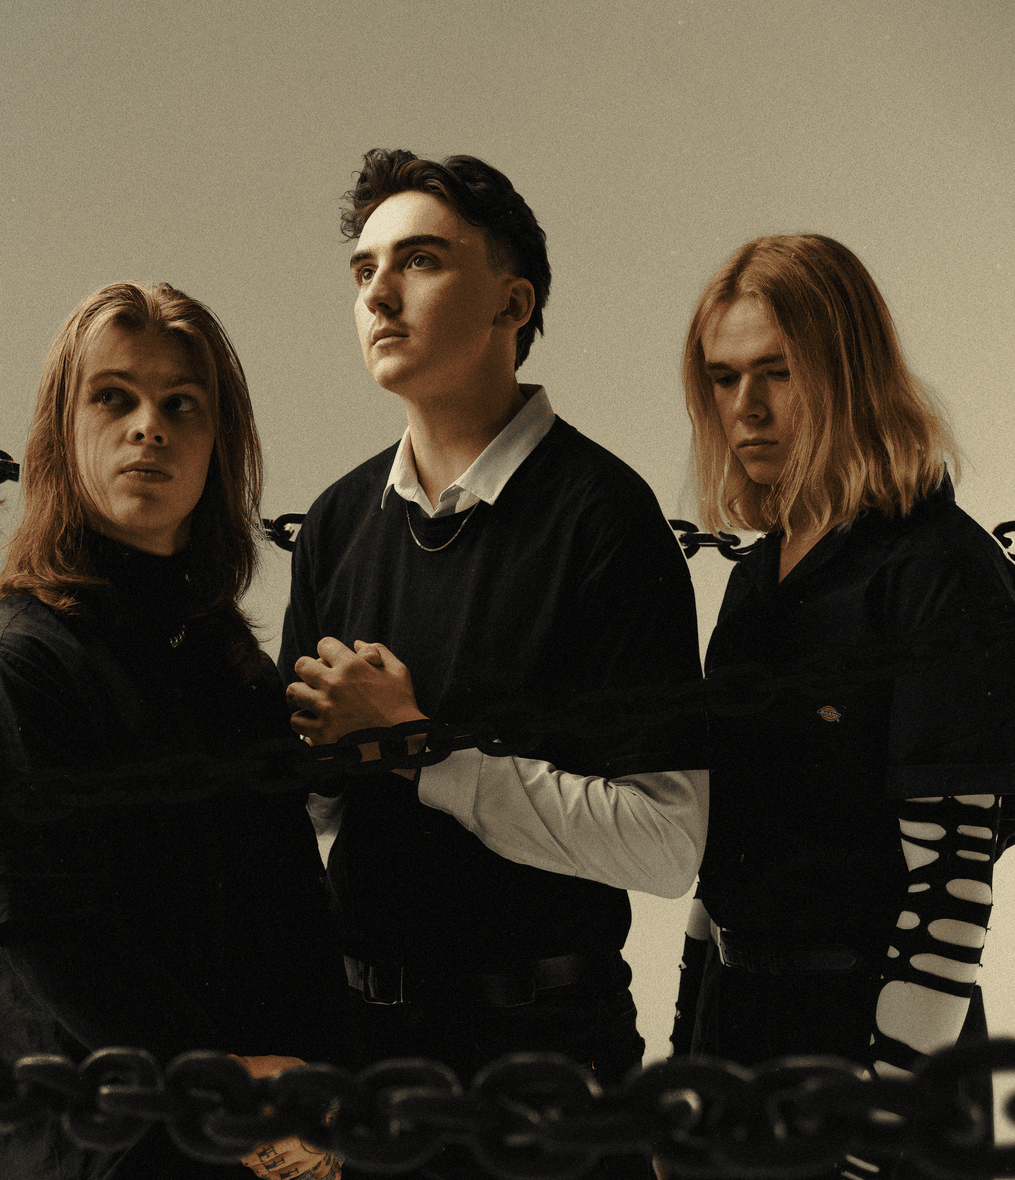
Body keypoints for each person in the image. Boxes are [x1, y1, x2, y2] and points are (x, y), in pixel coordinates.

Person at [281, 150, 705, 1180]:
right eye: (364, 269)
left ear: (512, 303)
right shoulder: (337, 522)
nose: (378, 293)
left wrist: (421, 752)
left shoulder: (604, 518)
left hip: (545, 1077)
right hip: (364, 1062)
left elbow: (666, 843)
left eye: (419, 260)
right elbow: (308, 814)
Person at [0, 282, 349, 1180]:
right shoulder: (9, 668)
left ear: (217, 444)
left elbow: (293, 904)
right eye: (113, 397)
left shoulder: (228, 663)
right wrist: (229, 1091)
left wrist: (317, 1089)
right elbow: (54, 938)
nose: (148, 427)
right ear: (61, 430)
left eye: (180, 404)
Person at [668, 234, 1015, 1180]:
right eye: (723, 377)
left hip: (876, 1049)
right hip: (737, 1036)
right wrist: (682, 1064)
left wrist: (881, 1133)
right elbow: (726, 849)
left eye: (778, 372)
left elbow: (950, 895)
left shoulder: (943, 576)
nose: (747, 408)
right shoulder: (758, 578)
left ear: (848, 372)